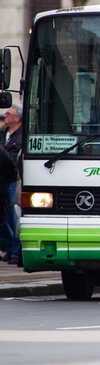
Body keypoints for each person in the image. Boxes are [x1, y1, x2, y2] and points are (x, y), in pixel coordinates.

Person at [0, 104, 22, 264]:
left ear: (17, 118)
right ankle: (9, 247)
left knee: (13, 215)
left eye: (8, 114)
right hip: (3, 178)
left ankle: (15, 250)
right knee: (4, 217)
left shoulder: (22, 135)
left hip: (13, 178)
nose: (5, 116)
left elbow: (12, 161)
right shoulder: (3, 134)